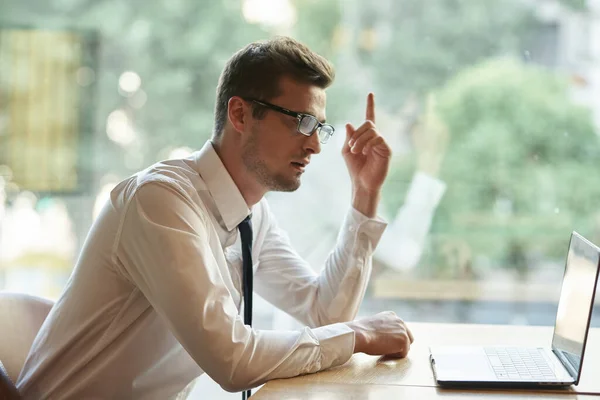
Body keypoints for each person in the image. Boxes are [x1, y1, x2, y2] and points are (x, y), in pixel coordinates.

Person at [17, 37, 414, 399]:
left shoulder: (251, 217)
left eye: (319, 128)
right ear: (240, 115)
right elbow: (232, 360)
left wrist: (365, 193)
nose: (313, 145)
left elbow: (326, 313)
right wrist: (359, 334)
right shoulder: (160, 201)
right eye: (300, 121)